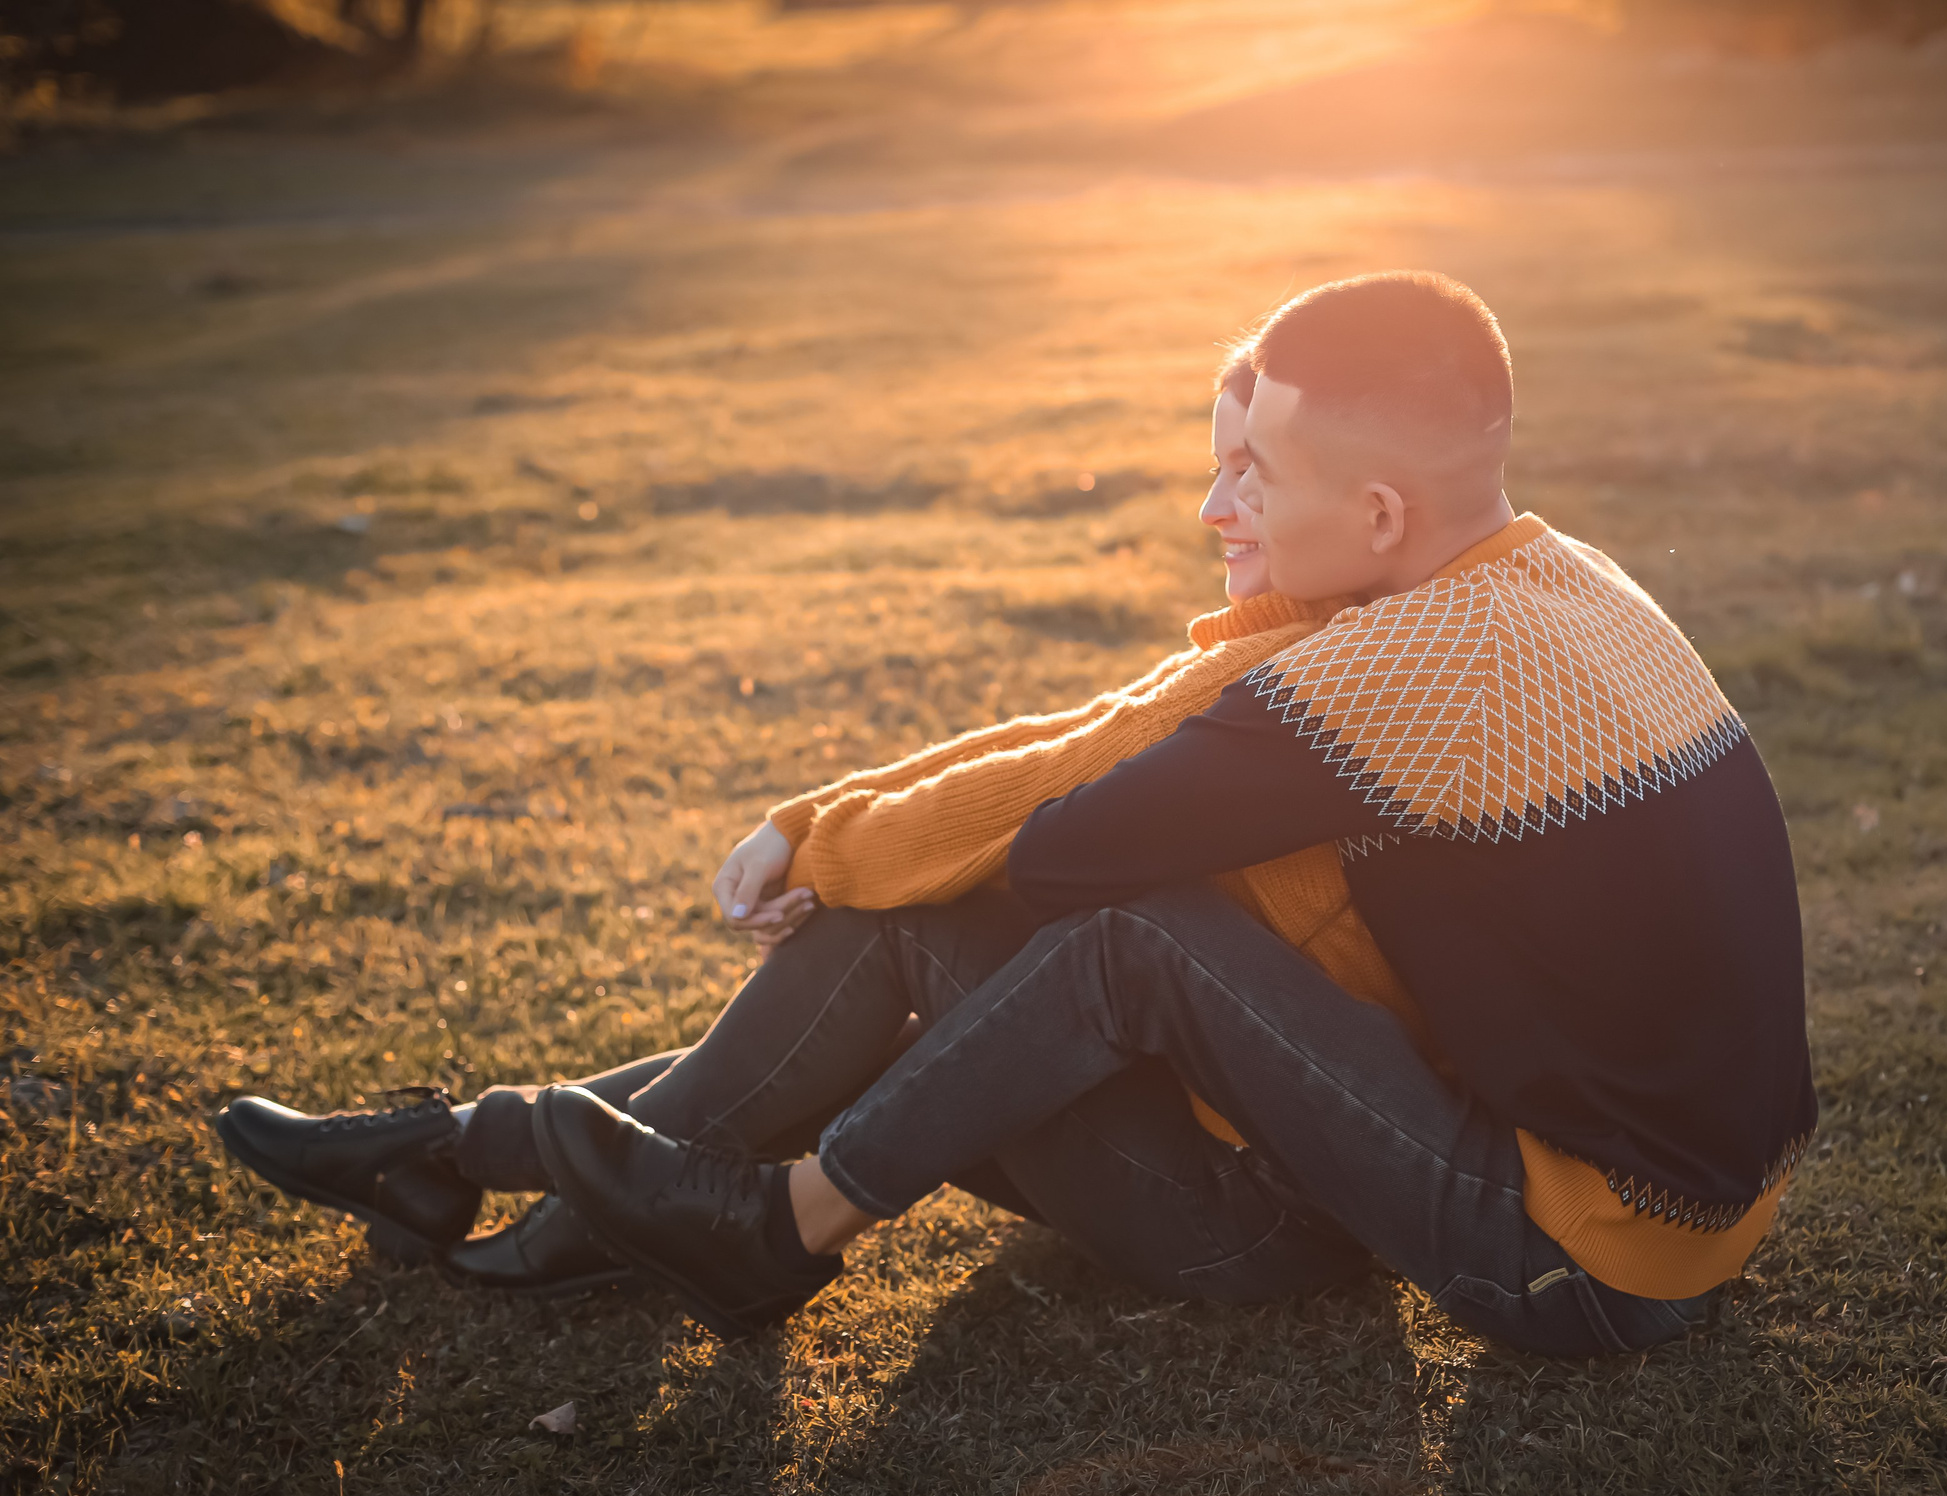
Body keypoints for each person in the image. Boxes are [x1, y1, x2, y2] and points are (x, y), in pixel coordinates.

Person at [515, 272, 1817, 1357]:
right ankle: (570, 1164)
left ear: (1376, 514)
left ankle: (773, 1223)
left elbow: (1072, 845)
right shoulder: (1572, 577)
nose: (1217, 503)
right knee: (1094, 930)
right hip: (1717, 1211)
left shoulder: (1399, 667)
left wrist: (847, 839)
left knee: (1129, 930)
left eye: (1262, 472)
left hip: (1584, 1260)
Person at [213, 354, 1364, 1294]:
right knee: (895, 956)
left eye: (1249, 474)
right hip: (1197, 1147)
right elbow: (1068, 731)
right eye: (1217, 467)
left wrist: (820, 852)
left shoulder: (1298, 670)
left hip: (1246, 1219)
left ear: (1348, 488)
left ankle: (524, 1188)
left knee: (899, 925)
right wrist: (812, 818)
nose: (1213, 507)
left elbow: (1049, 778)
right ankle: (478, 1163)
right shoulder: (1294, 636)